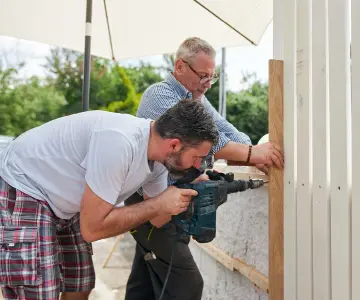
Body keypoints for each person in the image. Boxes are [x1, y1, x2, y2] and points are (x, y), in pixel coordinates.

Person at [0, 99, 219, 300]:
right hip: (26, 185)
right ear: (174, 145)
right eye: (197, 157)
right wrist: (159, 203)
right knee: (40, 290)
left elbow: (157, 220)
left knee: (79, 283)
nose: (198, 166)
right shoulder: (120, 143)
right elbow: (92, 229)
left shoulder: (161, 162)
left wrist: (188, 195)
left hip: (64, 200)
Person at [124, 37, 284, 300]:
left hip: (170, 200)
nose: (207, 83)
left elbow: (227, 132)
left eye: (213, 77)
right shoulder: (161, 94)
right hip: (149, 200)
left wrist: (246, 149)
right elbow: (203, 141)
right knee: (187, 284)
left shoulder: (196, 100)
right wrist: (252, 153)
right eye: (202, 75)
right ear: (179, 67)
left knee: (144, 279)